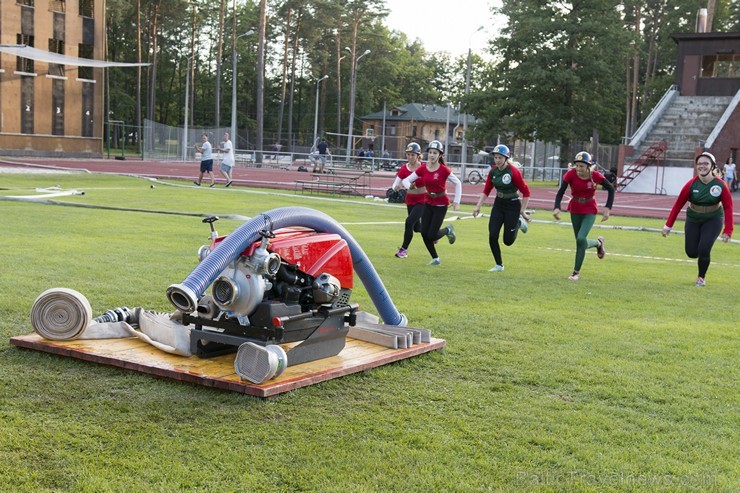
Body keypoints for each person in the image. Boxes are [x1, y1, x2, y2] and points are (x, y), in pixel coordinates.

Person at [662, 151, 734, 287]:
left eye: (706, 164)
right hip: (693, 218)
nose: (702, 166)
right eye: (699, 164)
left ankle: (701, 277)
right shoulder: (691, 184)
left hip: (713, 219)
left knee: (704, 248)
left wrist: (728, 230)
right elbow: (678, 205)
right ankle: (700, 253)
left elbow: (728, 208)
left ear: (712, 166)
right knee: (692, 252)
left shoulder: (721, 185)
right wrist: (668, 226)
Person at [552, 151, 615, 281]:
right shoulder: (570, 175)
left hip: (590, 209)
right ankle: (598, 243)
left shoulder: (595, 176)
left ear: (588, 166)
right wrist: (557, 208)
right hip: (575, 208)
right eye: (577, 166)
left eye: (582, 166)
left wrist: (607, 209)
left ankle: (575, 273)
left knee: (581, 238)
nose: (579, 169)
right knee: (580, 242)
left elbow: (611, 189)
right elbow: (560, 193)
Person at [400, 140, 461, 266]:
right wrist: (409, 186)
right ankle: (435, 258)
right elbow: (406, 180)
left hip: (441, 204)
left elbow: (458, 183)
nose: (432, 155)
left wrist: (456, 201)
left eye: (435, 153)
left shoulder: (444, 170)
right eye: (430, 152)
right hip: (428, 202)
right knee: (424, 233)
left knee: (432, 235)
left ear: (439, 155)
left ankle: (448, 230)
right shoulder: (423, 168)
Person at [472, 144, 532, 272]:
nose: (497, 160)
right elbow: (486, 190)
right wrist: (478, 206)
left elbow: (526, 192)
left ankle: (518, 223)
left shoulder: (514, 172)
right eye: (496, 157)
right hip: (499, 204)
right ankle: (499, 265)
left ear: (506, 158)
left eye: (500, 157)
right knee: (492, 235)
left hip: (513, 205)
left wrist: (522, 211)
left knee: (508, 241)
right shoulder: (493, 171)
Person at [391, 142, 426, 258]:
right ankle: (435, 234)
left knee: (409, 222)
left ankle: (403, 250)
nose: (410, 157)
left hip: (422, 199)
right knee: (417, 228)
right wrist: (396, 187)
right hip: (410, 199)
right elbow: (395, 184)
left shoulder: (423, 168)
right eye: (408, 154)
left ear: (418, 155)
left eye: (413, 155)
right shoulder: (404, 169)